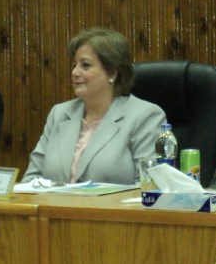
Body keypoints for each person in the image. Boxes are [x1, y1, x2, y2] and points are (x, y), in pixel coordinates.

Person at [24, 27, 166, 184]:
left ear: (112, 72)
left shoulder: (145, 116)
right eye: (74, 65)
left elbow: (149, 185)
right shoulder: (60, 114)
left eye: (85, 65)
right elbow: (31, 179)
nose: (75, 72)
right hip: (54, 201)